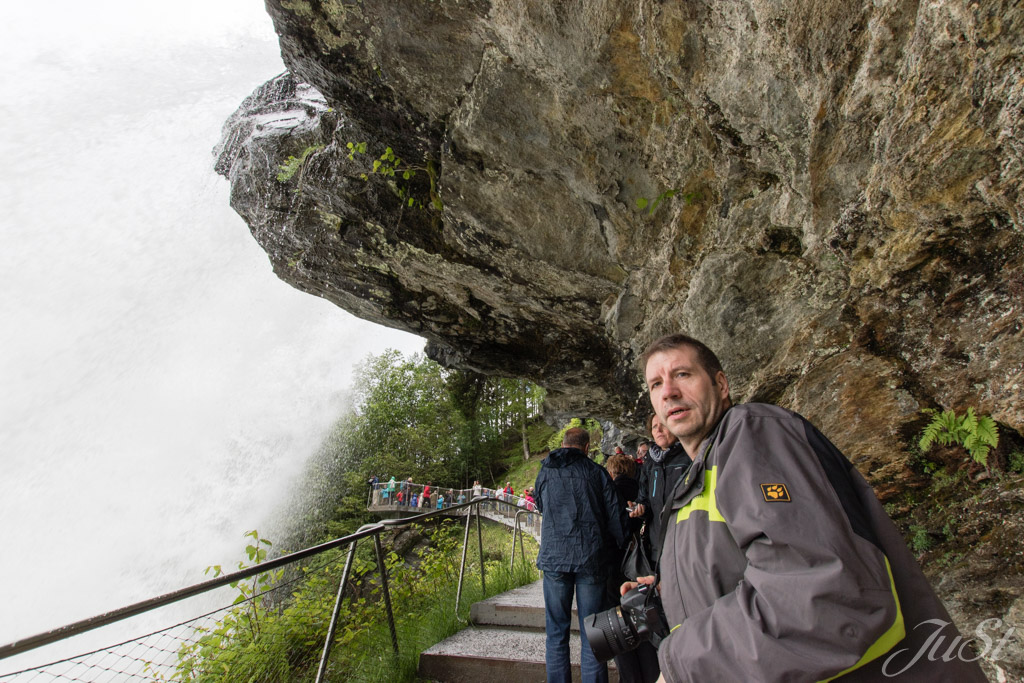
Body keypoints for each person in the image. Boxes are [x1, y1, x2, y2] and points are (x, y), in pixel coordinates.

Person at [630, 333, 986, 681]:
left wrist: (680, 664)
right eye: (655, 384)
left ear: (721, 385)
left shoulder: (752, 435)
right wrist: (670, 593)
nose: (669, 391)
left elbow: (820, 597)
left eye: (682, 374)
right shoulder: (702, 474)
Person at [535, 427, 628, 683]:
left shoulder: (545, 470)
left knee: (556, 633)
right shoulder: (596, 472)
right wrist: (623, 548)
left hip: (554, 559)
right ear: (587, 448)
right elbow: (615, 517)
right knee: (593, 635)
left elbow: (540, 504)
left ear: (563, 445)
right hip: (591, 560)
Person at [604, 454, 660, 683]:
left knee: (618, 622)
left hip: (617, 563)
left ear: (612, 471)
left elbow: (615, 527)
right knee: (642, 618)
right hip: (642, 561)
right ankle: (651, 674)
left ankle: (630, 677)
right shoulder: (641, 491)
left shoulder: (610, 491)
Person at [630, 413, 691, 567]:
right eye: (654, 427)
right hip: (657, 544)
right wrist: (639, 509)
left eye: (663, 424)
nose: (658, 430)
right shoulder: (650, 462)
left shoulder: (690, 456)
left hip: (687, 544)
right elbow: (644, 498)